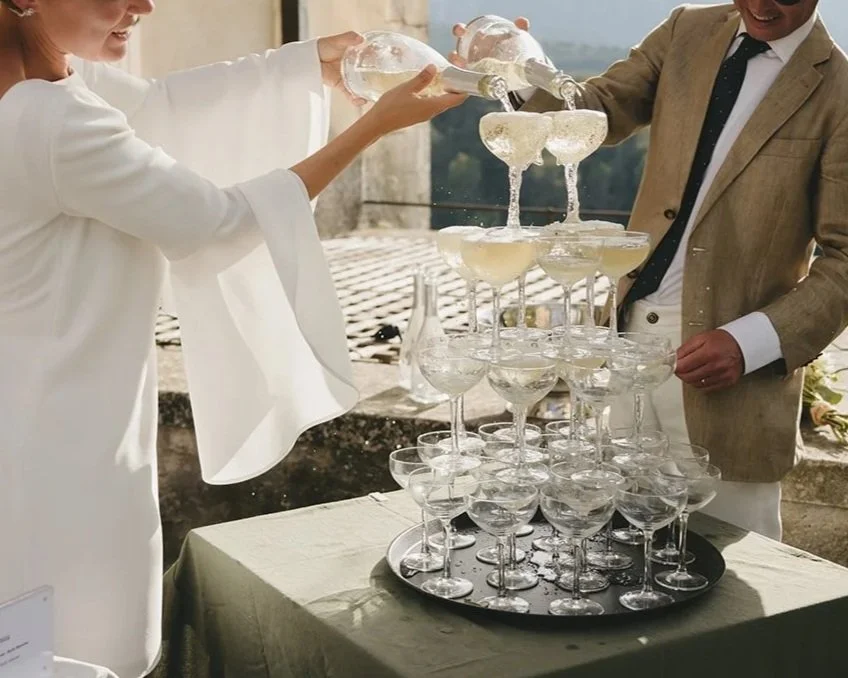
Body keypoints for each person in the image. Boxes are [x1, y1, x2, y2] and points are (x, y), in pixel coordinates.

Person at [0, 0, 465, 675]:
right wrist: (371, 127)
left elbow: (158, 109)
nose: (143, 5)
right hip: (60, 444)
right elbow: (216, 224)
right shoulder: (51, 118)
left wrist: (304, 63)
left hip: (35, 410)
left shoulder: (49, 95)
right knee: (75, 632)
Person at [455, 0, 848, 541]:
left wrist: (751, 342)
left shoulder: (841, 90)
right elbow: (597, 107)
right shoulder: (687, 28)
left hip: (733, 380)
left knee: (730, 574)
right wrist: (521, 66)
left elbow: (845, 258)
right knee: (615, 549)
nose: (760, 3)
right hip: (627, 343)